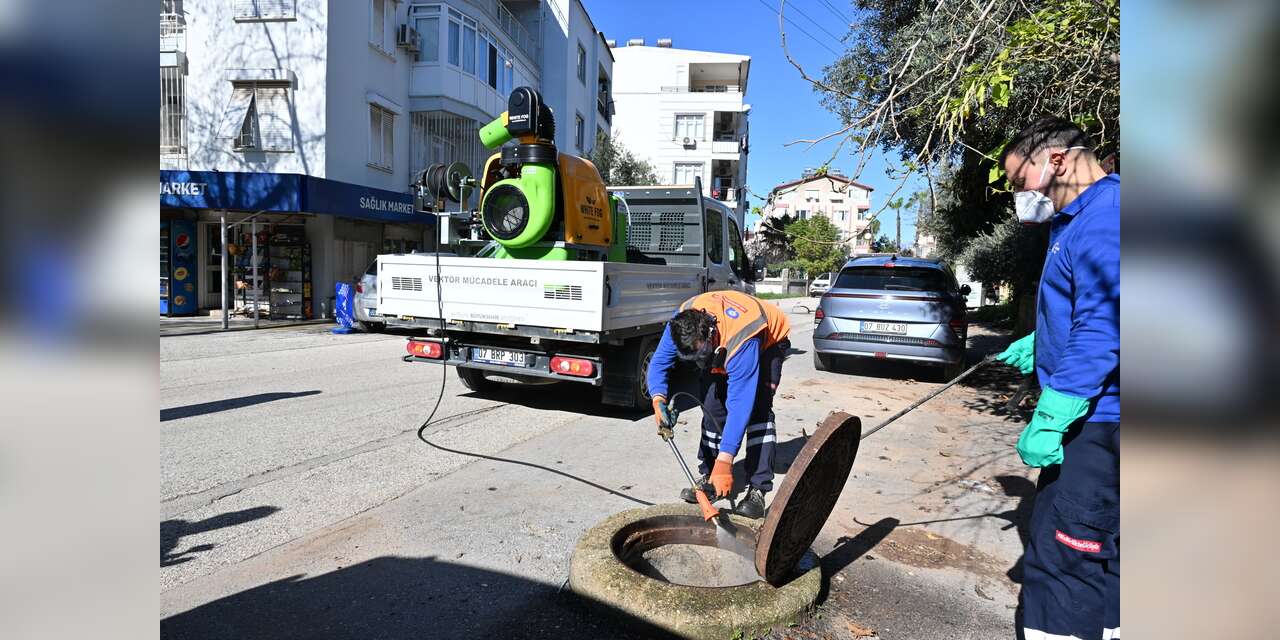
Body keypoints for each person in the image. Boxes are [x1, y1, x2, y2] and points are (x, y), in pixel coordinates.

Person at [996, 117, 1119, 640]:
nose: (1018, 193)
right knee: (1104, 558)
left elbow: (1106, 322)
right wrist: (1043, 342)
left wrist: (1053, 411)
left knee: (1064, 562)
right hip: (1099, 422)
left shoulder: (1106, 219)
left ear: (1057, 162)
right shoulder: (1079, 218)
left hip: (1100, 425)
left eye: (1018, 180)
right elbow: (1084, 306)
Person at [646, 290, 791, 519]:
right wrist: (658, 400)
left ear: (710, 334)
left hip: (766, 342)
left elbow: (740, 404)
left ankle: (757, 489)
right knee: (712, 406)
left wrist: (727, 459)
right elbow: (659, 363)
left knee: (758, 411)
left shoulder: (742, 338)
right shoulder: (680, 323)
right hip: (722, 343)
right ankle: (710, 476)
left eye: (700, 352)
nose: (698, 360)